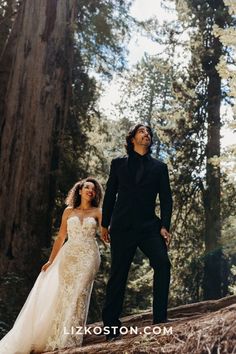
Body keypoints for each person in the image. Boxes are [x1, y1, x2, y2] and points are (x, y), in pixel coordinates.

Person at [0, 177, 103, 353]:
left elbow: (106, 233)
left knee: (79, 293)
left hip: (89, 256)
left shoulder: (98, 212)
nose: (90, 191)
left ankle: (70, 337)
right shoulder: (68, 211)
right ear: (80, 190)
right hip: (68, 255)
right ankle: (56, 335)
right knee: (64, 294)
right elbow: (61, 237)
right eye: (87, 187)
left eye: (93, 189)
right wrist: (51, 260)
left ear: (95, 194)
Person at [101, 123, 173, 341]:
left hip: (148, 226)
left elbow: (166, 199)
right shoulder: (118, 164)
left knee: (162, 263)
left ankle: (160, 319)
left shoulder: (159, 167)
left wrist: (165, 226)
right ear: (132, 138)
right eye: (142, 132)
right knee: (118, 275)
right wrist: (105, 224)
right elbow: (110, 194)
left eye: (149, 133)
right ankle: (111, 327)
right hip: (122, 227)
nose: (147, 135)